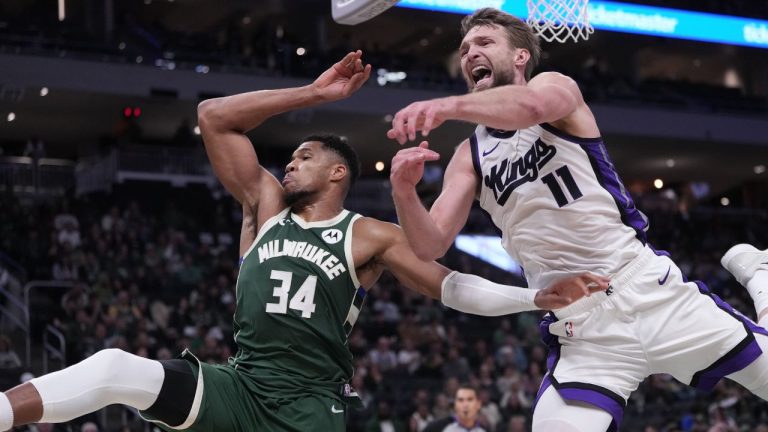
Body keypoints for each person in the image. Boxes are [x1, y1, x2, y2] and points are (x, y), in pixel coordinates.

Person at [0, 51, 608, 432]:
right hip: (238, 387)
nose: (289, 164)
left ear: (339, 172)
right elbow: (214, 116)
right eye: (290, 156)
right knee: (112, 368)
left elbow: (453, 288)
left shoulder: (368, 234)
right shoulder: (263, 205)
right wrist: (315, 95)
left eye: (304, 156)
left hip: (309, 409)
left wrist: (534, 298)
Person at [387, 7, 768, 432]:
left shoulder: (554, 88)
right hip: (581, 323)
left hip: (647, 290)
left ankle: (761, 279)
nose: (470, 52)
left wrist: (448, 105)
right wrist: (403, 191)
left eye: (484, 42)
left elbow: (528, 107)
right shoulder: (469, 155)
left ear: (519, 57)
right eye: (464, 48)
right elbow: (430, 245)